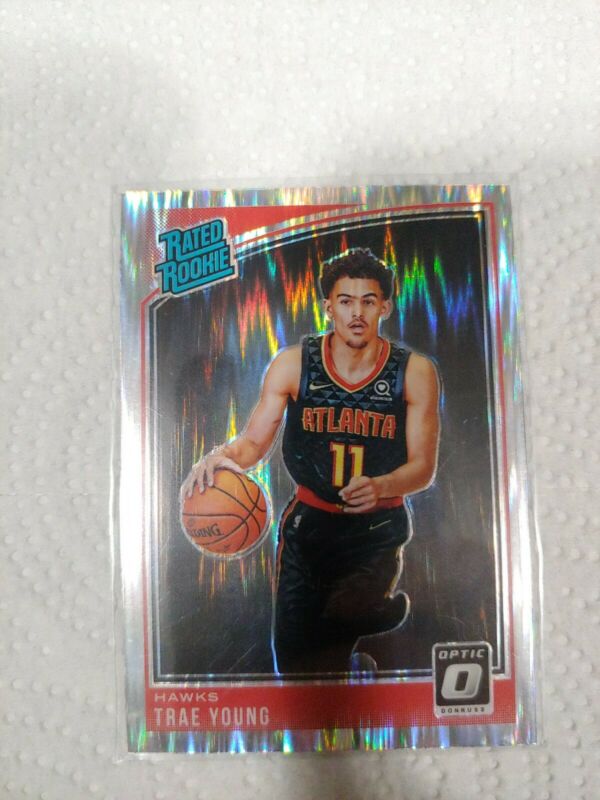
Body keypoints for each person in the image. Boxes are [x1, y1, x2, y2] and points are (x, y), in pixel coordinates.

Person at [181, 248, 440, 674]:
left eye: (368, 301)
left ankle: (368, 615)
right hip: (309, 526)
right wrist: (217, 458)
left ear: (385, 308)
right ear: (328, 307)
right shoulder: (293, 364)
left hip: (375, 530)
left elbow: (423, 468)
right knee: (296, 665)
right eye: (346, 301)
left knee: (344, 613)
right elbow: (253, 443)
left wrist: (382, 485)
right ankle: (352, 660)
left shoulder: (413, 372)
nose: (357, 313)